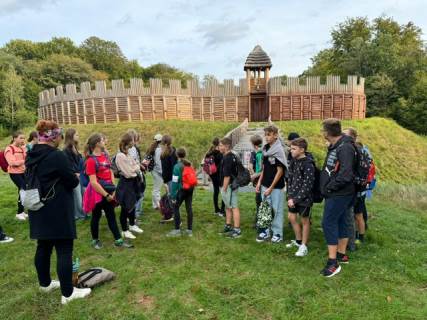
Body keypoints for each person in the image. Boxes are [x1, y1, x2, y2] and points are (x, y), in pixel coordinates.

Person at [26, 120, 91, 304]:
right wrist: (74, 177)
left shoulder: (31, 154)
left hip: (38, 206)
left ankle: (45, 284)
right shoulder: (56, 156)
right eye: (59, 136)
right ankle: (68, 294)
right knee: (64, 249)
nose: (61, 140)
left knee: (43, 246)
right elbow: (72, 181)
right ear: (53, 137)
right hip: (57, 207)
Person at [319, 118, 356, 277]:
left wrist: (328, 188)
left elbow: (346, 175)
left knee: (328, 222)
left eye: (323, 130)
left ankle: (333, 262)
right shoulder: (339, 145)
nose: (322, 133)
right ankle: (341, 254)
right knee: (340, 220)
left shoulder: (345, 147)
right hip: (340, 193)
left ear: (327, 132)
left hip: (340, 193)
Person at [82, 133, 132, 249]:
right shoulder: (90, 161)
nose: (105, 141)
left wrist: (113, 188)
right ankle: (95, 240)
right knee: (96, 216)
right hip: (97, 193)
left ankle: (118, 240)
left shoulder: (105, 155)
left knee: (111, 215)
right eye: (103, 140)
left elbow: (110, 172)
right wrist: (105, 195)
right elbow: (93, 182)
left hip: (109, 190)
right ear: (97, 143)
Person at [256, 125, 287, 243]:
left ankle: (278, 233)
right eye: (265, 135)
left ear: (275, 135)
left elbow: (280, 171)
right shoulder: (265, 149)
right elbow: (264, 168)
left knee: (277, 209)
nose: (266, 137)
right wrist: (259, 182)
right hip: (265, 184)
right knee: (265, 208)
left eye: (269, 135)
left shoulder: (279, 150)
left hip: (276, 186)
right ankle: (266, 231)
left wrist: (271, 187)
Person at [286, 138, 315, 256]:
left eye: (294, 149)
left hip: (305, 198)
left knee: (305, 221)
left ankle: (304, 246)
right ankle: (298, 241)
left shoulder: (308, 164)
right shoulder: (293, 161)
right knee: (291, 218)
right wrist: (289, 196)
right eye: (290, 148)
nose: (291, 151)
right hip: (292, 197)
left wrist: (296, 199)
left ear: (302, 150)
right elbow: (290, 179)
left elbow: (308, 185)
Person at [343, 127, 370, 246]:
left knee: (358, 214)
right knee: (352, 214)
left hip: (358, 189)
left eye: (345, 134)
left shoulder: (358, 150)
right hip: (354, 188)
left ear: (353, 137)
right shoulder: (352, 149)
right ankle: (353, 235)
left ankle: (361, 237)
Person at [115, 133, 144, 239]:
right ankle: (124, 230)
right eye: (132, 140)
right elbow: (128, 173)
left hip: (132, 183)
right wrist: (135, 170)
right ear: (128, 142)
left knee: (133, 204)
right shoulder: (120, 155)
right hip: (125, 184)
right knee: (125, 207)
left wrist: (135, 168)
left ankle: (132, 225)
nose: (134, 141)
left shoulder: (127, 154)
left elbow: (136, 164)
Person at [167, 148, 195, 237]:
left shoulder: (177, 166)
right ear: (185, 154)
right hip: (190, 189)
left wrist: (173, 195)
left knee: (175, 207)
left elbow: (175, 182)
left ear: (177, 155)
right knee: (189, 208)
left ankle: (177, 230)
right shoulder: (189, 165)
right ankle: (189, 230)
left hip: (181, 190)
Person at [219, 137, 241, 238]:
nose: (219, 147)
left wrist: (224, 189)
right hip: (229, 186)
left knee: (234, 207)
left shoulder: (228, 158)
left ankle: (237, 230)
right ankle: (228, 225)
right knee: (228, 206)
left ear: (227, 146)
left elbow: (227, 175)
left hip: (229, 186)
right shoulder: (230, 155)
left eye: (221, 145)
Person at [5, 131, 27, 221]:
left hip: (23, 172)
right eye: (21, 138)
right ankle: (19, 213)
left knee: (22, 190)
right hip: (14, 173)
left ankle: (22, 212)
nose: (23, 140)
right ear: (14, 138)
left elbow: (27, 158)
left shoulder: (22, 148)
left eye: (23, 138)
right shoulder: (9, 149)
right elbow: (12, 163)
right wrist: (23, 161)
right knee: (23, 189)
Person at [63, 128, 85, 220]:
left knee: (82, 194)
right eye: (76, 135)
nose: (78, 136)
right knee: (77, 196)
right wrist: (75, 172)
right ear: (71, 137)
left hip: (79, 174)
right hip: (74, 176)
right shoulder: (66, 150)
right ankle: (78, 215)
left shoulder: (75, 148)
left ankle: (82, 212)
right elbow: (68, 163)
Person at [126, 129, 145, 218]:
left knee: (139, 193)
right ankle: (135, 214)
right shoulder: (130, 149)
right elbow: (132, 162)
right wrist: (138, 167)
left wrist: (140, 165)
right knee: (137, 194)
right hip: (133, 174)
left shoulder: (134, 148)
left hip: (136, 172)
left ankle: (135, 213)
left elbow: (136, 160)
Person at [205, 137, 225, 217]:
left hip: (213, 174)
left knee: (216, 191)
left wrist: (209, 174)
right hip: (220, 175)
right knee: (224, 191)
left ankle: (216, 209)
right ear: (219, 144)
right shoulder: (220, 154)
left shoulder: (209, 153)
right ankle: (222, 210)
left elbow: (206, 164)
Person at [249, 135, 263, 227]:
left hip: (261, 180)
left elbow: (262, 169)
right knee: (258, 200)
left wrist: (254, 175)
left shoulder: (260, 154)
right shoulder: (257, 153)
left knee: (260, 200)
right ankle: (258, 220)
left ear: (254, 145)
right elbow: (251, 166)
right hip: (258, 179)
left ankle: (260, 221)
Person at [146, 134, 163, 210]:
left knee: (156, 188)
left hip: (154, 170)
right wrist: (162, 172)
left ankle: (155, 205)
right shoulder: (158, 149)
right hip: (157, 171)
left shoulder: (153, 148)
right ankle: (159, 205)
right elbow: (158, 162)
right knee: (157, 189)